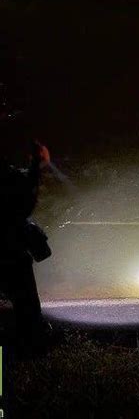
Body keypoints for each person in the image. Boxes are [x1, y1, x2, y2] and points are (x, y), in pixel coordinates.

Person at [0, 140, 51, 351]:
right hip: (10, 250)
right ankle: (30, 347)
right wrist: (35, 166)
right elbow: (24, 202)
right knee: (26, 303)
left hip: (10, 248)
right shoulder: (10, 178)